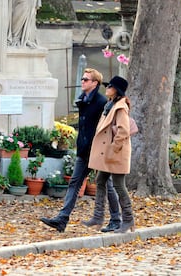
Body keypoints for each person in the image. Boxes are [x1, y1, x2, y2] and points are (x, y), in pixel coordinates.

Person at [40, 68, 121, 233]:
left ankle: (116, 220)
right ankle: (62, 219)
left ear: (94, 83)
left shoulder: (101, 102)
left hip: (98, 150)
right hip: (84, 151)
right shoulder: (83, 100)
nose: (82, 81)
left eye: (86, 79)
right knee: (74, 183)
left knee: (107, 185)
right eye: (82, 79)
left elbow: (107, 127)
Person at [87, 76, 135, 233]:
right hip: (107, 153)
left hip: (116, 153)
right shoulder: (110, 105)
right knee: (100, 180)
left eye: (110, 87)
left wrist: (113, 149)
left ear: (117, 90)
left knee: (119, 186)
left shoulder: (120, 107)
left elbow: (123, 131)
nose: (107, 89)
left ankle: (128, 220)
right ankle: (98, 216)